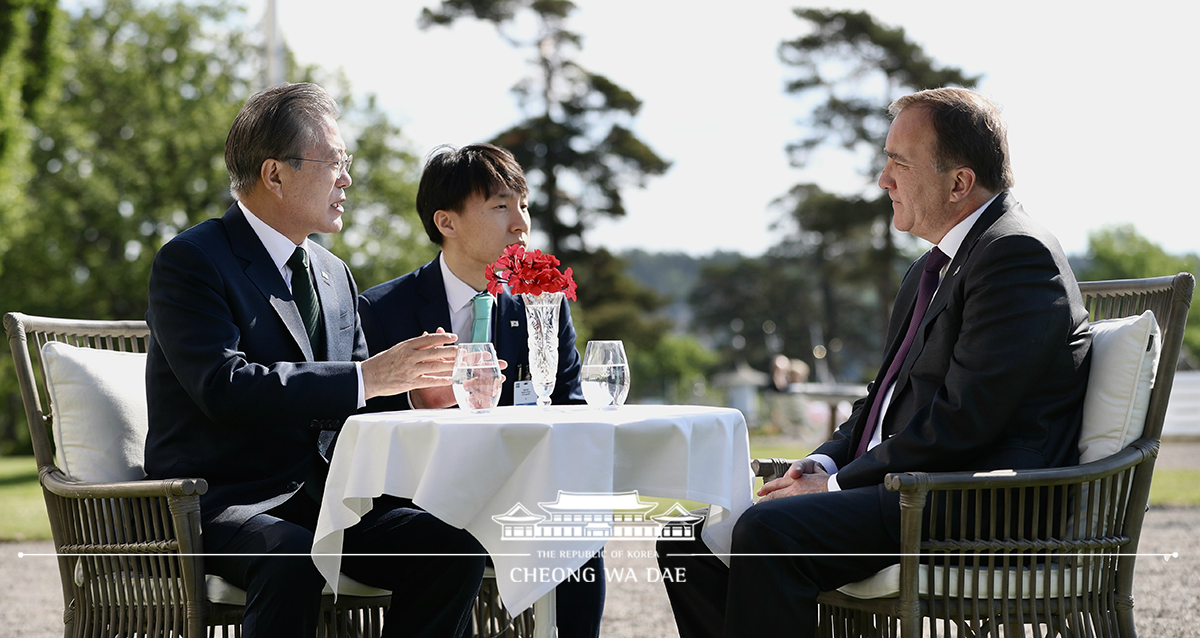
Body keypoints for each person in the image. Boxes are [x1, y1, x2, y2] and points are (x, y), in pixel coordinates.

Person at [657, 87, 1093, 638]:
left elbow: (964, 423)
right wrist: (822, 466)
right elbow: (882, 397)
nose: (883, 180)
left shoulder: (1016, 256)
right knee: (686, 539)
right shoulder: (931, 269)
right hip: (904, 490)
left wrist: (837, 490)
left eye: (898, 162)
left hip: (975, 504)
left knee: (771, 531)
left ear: (959, 182)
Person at [144, 83, 486, 638]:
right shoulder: (192, 261)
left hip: (329, 500)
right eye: (336, 163)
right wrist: (366, 378)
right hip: (224, 502)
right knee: (293, 555)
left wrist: (415, 396)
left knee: (451, 549)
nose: (347, 179)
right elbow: (224, 386)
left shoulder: (333, 275)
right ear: (275, 174)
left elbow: (359, 406)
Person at [358, 142, 604, 638]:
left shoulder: (544, 308)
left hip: (518, 492)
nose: (521, 223)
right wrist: (413, 397)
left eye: (523, 205)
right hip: (417, 502)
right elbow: (360, 427)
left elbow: (571, 411)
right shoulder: (382, 310)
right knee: (444, 543)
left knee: (581, 529)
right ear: (446, 222)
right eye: (500, 207)